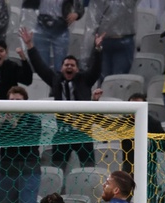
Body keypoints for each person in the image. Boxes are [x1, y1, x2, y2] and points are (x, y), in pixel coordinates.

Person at [20, 27, 103, 171]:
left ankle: (90, 191)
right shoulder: (55, 80)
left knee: (88, 168)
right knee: (57, 168)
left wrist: (97, 49)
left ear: (77, 69)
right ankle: (58, 191)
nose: (69, 67)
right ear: (61, 68)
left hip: (83, 132)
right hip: (62, 132)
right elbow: (40, 68)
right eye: (66, 65)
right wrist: (30, 46)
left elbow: (96, 69)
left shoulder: (85, 79)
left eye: (72, 65)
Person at [0, 86, 42, 203]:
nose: (14, 103)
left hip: (29, 170)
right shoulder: (2, 121)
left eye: (18, 100)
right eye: (11, 100)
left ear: (25, 102)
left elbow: (28, 142)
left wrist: (13, 125)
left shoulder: (34, 120)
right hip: (7, 171)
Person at [23, 0, 84, 73]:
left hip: (61, 28)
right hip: (42, 26)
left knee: (61, 64)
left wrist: (77, 13)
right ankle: (42, 83)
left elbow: (79, 5)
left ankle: (59, 83)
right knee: (41, 64)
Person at [82, 0, 138, 77]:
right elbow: (91, 25)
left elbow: (91, 26)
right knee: (112, 81)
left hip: (119, 42)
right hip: (106, 42)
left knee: (113, 81)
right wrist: (86, 56)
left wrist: (86, 57)